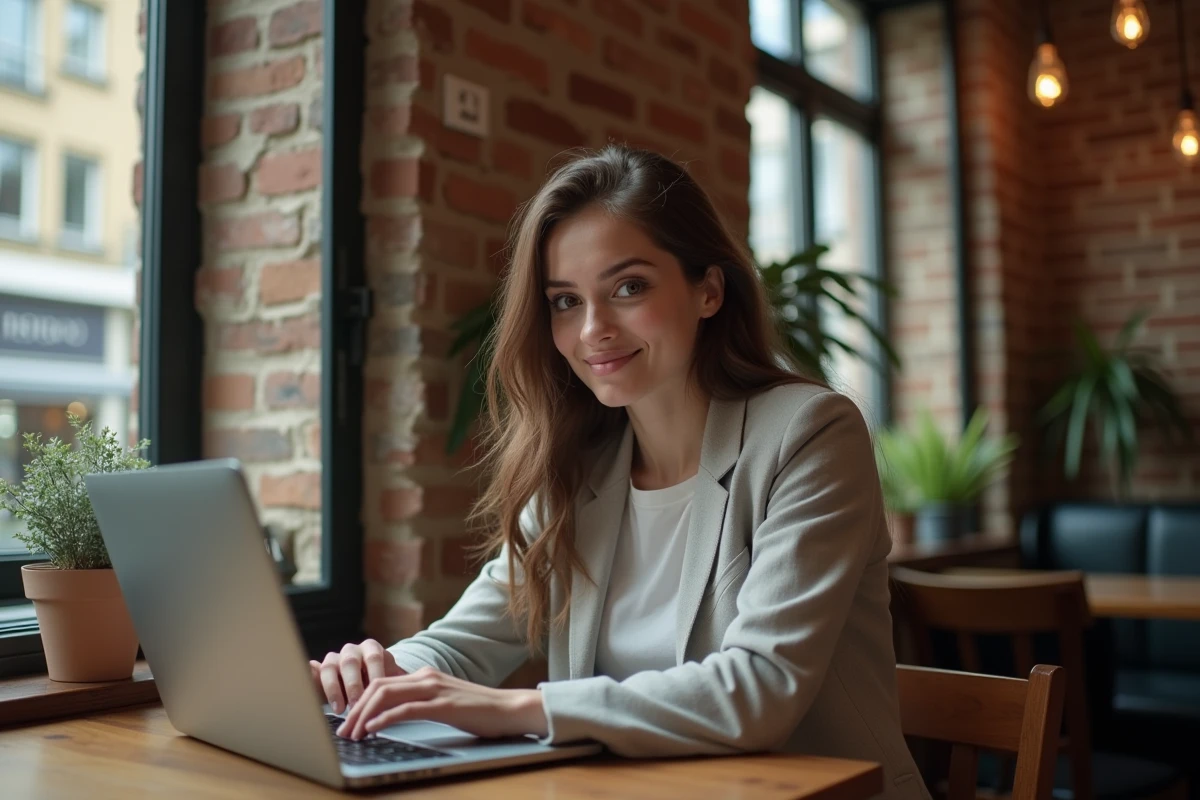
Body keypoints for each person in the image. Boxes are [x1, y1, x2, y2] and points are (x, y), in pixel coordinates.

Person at [312, 145, 929, 799]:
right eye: (565, 301)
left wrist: (524, 709)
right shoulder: (580, 470)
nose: (593, 329)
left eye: (628, 288)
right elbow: (465, 645)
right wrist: (375, 674)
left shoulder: (810, 434)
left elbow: (760, 689)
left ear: (708, 291)